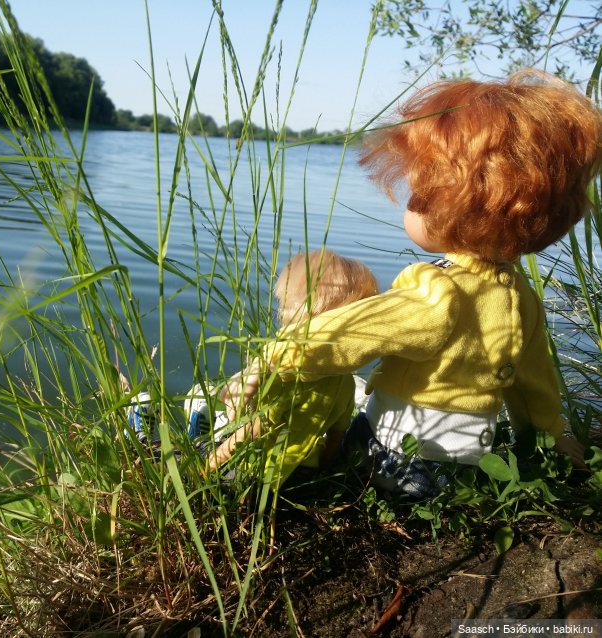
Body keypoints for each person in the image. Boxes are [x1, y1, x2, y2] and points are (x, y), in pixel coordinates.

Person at [220, 69, 602, 499]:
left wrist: (275, 359)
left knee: (331, 434)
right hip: (462, 471)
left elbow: (352, 331)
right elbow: (534, 383)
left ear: (457, 210)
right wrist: (550, 437)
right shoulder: (522, 300)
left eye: (419, 197)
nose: (410, 204)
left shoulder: (438, 290)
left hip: (393, 454)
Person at [206, 249, 378, 488]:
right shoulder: (345, 382)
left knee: (204, 451)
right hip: (305, 472)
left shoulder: (286, 379)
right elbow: (336, 437)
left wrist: (208, 465)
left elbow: (252, 431)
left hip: (261, 472)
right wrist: (324, 471)